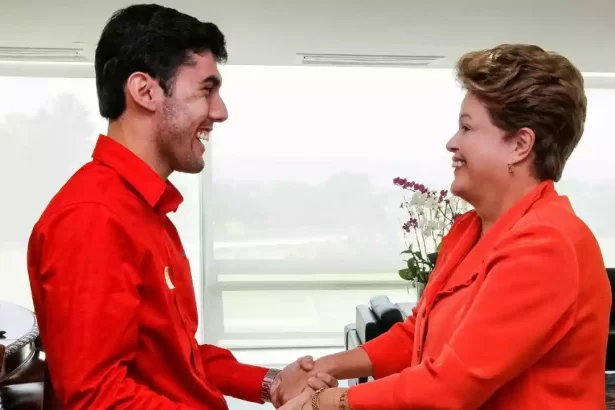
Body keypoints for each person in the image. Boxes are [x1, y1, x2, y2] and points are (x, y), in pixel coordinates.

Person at [26, 4, 335, 409]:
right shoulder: (94, 217)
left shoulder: (147, 212)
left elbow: (179, 359)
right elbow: (96, 397)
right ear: (145, 91)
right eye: (207, 89)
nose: (220, 111)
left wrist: (272, 382)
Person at [281, 44, 612, 409]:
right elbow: (416, 337)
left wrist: (327, 402)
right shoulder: (468, 230)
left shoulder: (546, 244)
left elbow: (451, 386)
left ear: (520, 145)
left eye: (467, 127)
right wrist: (326, 366)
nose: (452, 143)